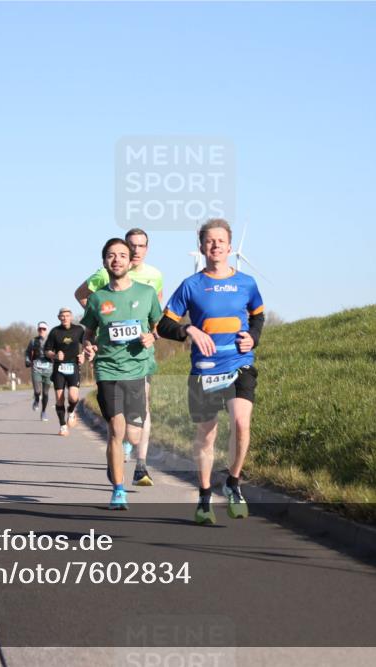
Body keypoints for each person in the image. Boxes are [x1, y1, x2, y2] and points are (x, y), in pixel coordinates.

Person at [156, 219, 265, 525]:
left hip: (239, 364)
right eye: (209, 241)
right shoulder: (191, 285)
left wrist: (253, 337)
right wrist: (189, 328)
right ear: (201, 247)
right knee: (207, 435)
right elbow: (165, 324)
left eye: (220, 241)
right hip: (204, 370)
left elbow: (258, 316)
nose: (215, 245)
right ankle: (204, 495)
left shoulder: (247, 283)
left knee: (242, 424)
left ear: (230, 247)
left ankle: (233, 482)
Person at [74, 228, 162, 484]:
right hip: (108, 368)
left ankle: (129, 450)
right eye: (112, 255)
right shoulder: (98, 296)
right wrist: (89, 345)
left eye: (124, 254)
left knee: (133, 435)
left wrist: (152, 336)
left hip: (138, 365)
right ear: (104, 261)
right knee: (115, 427)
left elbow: (159, 323)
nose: (120, 258)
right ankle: (118, 488)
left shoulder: (148, 286)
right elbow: (88, 331)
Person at [44, 307, 86, 436]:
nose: (65, 318)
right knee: (59, 398)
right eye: (62, 316)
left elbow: (87, 343)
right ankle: (63, 426)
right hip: (59, 368)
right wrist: (55, 356)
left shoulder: (78, 330)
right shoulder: (54, 332)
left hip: (73, 366)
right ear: (59, 318)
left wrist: (83, 354)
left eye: (67, 315)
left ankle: (72, 411)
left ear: (71, 317)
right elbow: (47, 351)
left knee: (73, 396)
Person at [24, 321, 52, 421]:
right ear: (38, 330)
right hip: (36, 368)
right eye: (40, 329)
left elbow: (57, 353)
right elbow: (27, 352)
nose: (41, 331)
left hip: (48, 370)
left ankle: (43, 412)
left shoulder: (51, 341)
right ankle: (36, 400)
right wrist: (27, 360)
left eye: (44, 329)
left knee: (45, 393)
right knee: (37, 391)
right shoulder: (33, 341)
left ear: (46, 330)